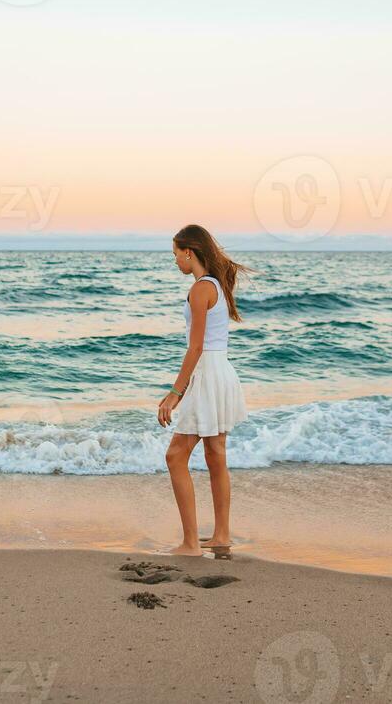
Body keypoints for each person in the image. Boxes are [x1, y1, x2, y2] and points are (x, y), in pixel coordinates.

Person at [158, 224, 250, 556]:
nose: (175, 262)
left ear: (188, 251)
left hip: (207, 374)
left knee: (175, 456)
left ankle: (190, 543)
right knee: (215, 456)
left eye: (175, 255)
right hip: (221, 371)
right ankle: (221, 535)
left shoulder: (200, 289)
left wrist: (174, 393)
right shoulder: (216, 286)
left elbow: (195, 348)